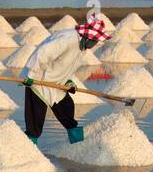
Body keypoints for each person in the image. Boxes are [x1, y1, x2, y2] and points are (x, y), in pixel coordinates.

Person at [19, 14, 110, 145]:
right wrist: (31, 75)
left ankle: (78, 145)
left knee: (67, 109)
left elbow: (68, 65)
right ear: (88, 36)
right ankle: (27, 148)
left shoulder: (82, 46)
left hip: (56, 83)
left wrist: (68, 81)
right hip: (39, 80)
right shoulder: (68, 39)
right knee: (35, 121)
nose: (96, 43)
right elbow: (43, 52)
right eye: (95, 40)